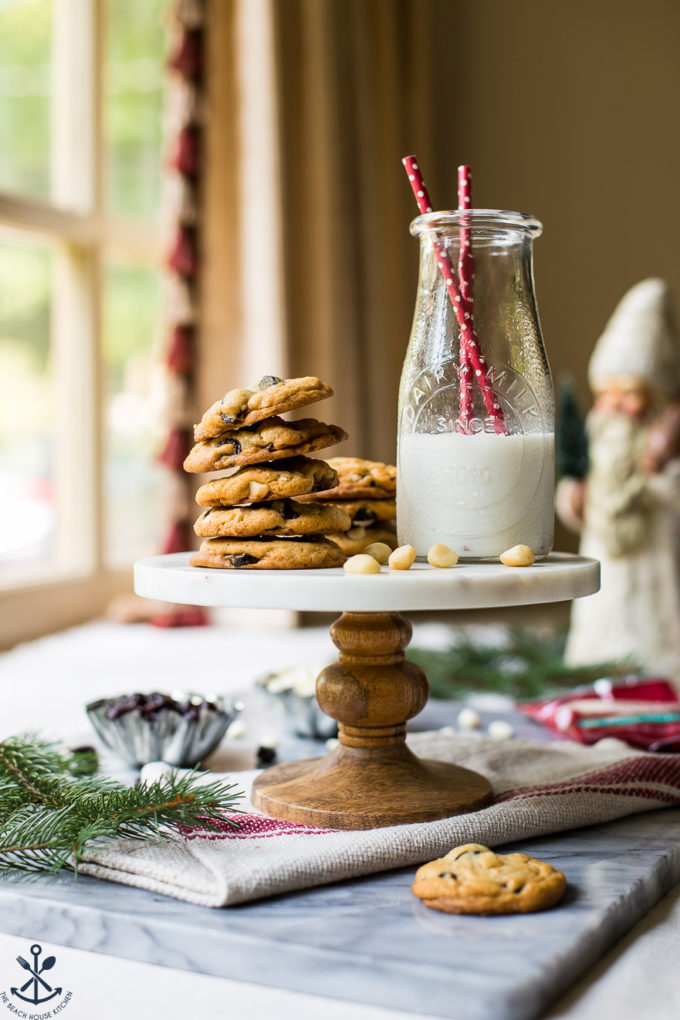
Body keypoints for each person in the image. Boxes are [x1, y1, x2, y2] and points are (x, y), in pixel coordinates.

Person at [557, 278, 680, 685]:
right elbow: (584, 485)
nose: (616, 406)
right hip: (606, 553)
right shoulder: (600, 431)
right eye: (607, 393)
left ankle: (659, 673)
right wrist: (573, 499)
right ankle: (597, 665)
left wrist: (661, 472)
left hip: (657, 560)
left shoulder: (662, 444)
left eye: (630, 393)